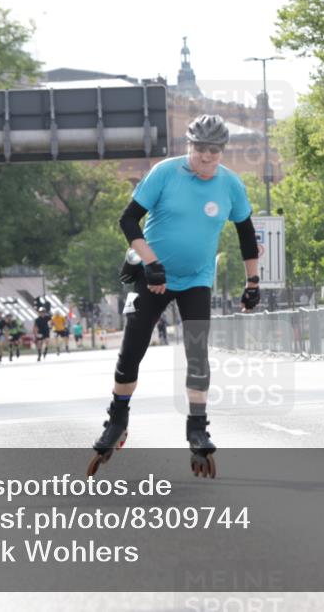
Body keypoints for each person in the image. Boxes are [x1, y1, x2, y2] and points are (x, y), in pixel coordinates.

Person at [88, 114, 261, 479]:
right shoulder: (165, 173)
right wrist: (151, 263)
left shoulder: (230, 184)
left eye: (214, 151)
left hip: (197, 278)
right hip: (153, 278)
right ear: (189, 146)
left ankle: (197, 428)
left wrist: (253, 283)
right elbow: (128, 220)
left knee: (197, 354)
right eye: (200, 150)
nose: (207, 157)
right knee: (131, 351)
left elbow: (246, 235)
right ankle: (117, 420)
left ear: (222, 151)